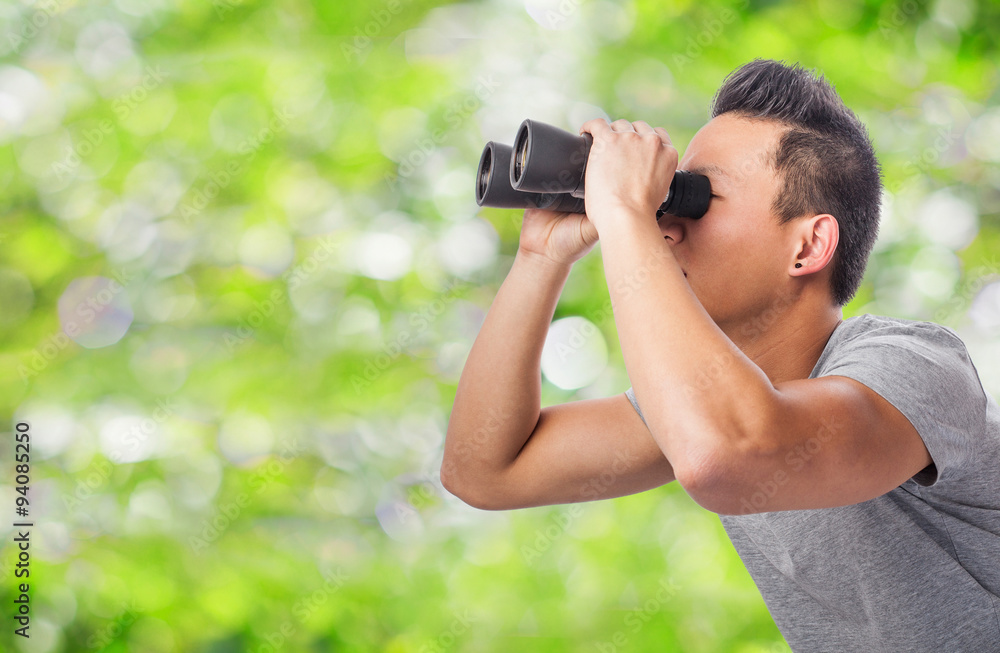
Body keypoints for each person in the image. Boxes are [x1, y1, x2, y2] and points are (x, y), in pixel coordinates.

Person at [440, 59, 1000, 651]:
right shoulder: (701, 404)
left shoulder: (915, 365)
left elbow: (728, 455)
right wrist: (541, 258)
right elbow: (482, 471)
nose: (665, 225)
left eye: (697, 198)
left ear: (809, 245)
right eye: (667, 198)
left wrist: (624, 210)